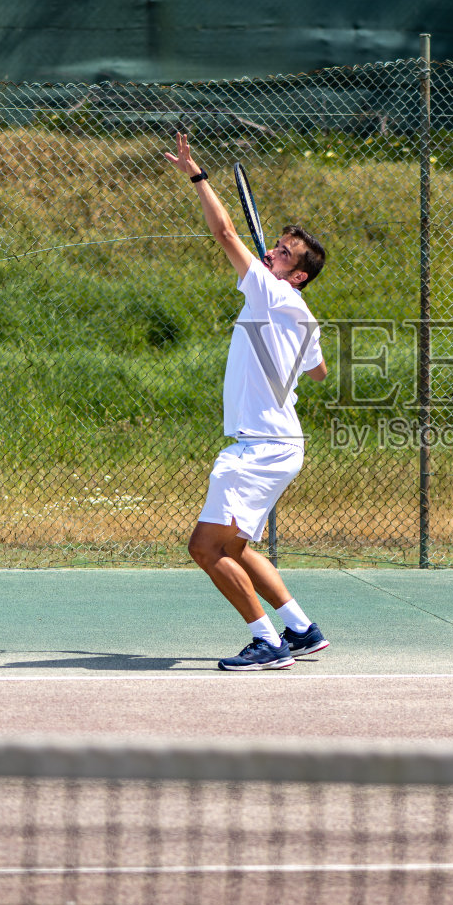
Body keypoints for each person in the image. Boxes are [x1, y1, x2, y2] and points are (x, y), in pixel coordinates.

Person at [164, 131, 331, 671]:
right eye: (277, 246)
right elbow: (320, 371)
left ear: (297, 275)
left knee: (206, 549)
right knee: (234, 547)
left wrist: (197, 176)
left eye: (285, 253)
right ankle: (302, 630)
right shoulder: (300, 313)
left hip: (260, 448)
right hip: (278, 443)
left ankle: (268, 642)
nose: (274, 252)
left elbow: (224, 231)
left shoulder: (272, 292)